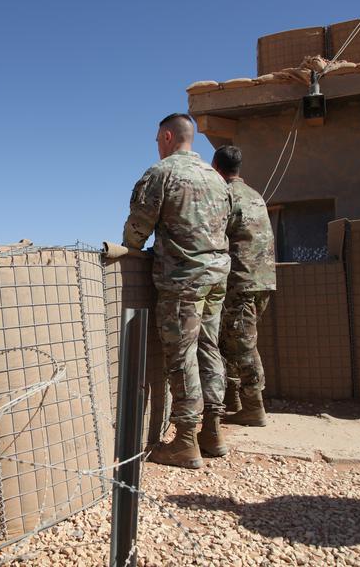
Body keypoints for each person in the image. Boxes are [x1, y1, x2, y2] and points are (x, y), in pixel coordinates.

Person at [122, 113, 233, 468]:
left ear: (168, 137)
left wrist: (132, 245)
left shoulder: (163, 173)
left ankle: (185, 440)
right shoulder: (217, 180)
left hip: (183, 279)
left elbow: (138, 227)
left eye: (157, 140)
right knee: (209, 348)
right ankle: (212, 431)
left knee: (181, 354)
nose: (157, 147)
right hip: (217, 276)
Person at [211, 145, 276, 427]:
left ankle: (254, 407)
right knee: (231, 341)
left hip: (241, 282)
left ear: (216, 168)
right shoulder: (254, 195)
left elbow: (211, 236)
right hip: (262, 281)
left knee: (242, 345)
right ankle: (235, 400)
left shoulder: (225, 196)